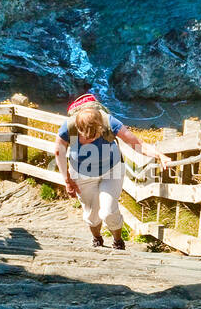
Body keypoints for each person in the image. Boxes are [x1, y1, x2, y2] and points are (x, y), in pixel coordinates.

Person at [54, 93, 170, 249]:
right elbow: (58, 153)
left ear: (100, 127)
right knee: (91, 215)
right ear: (78, 128)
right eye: (85, 136)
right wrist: (67, 180)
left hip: (111, 170)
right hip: (81, 174)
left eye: (94, 135)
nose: (90, 140)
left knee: (108, 211)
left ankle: (118, 241)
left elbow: (137, 144)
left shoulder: (110, 123)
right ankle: (97, 238)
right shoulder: (68, 127)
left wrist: (160, 155)